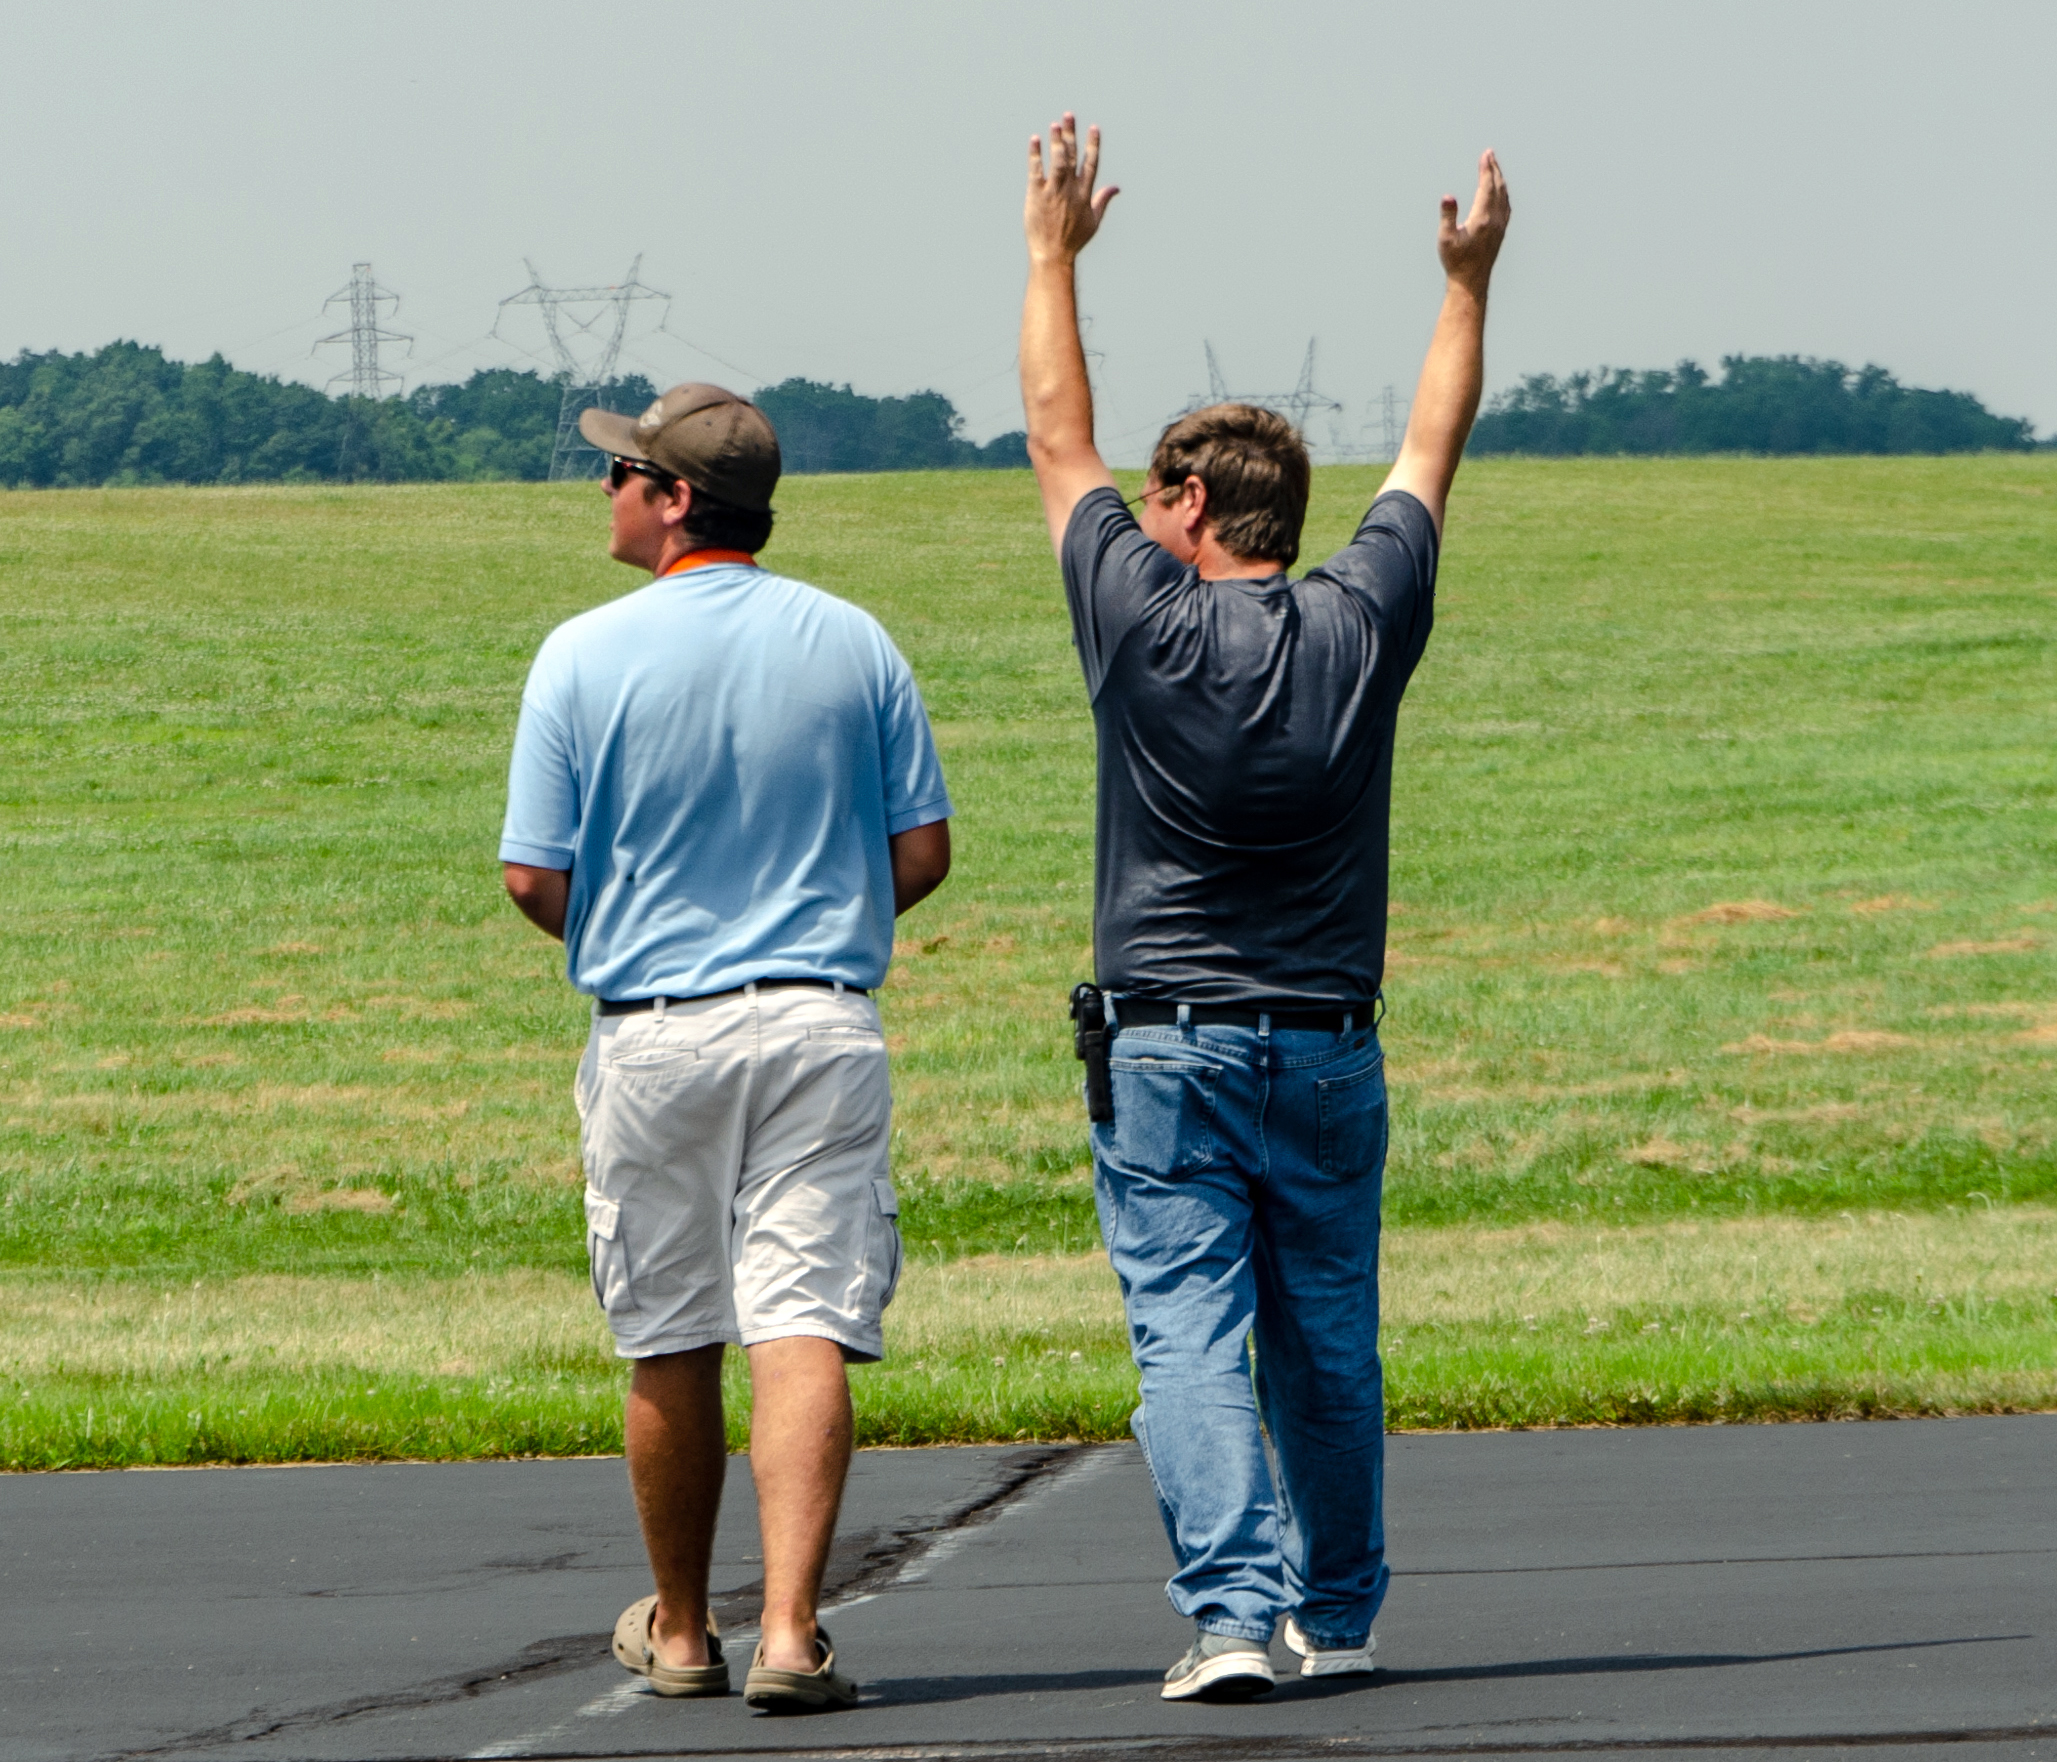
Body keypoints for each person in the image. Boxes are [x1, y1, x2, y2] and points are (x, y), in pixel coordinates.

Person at [1018, 117, 1510, 1701]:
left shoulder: (1138, 619)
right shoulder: (1360, 619)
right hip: (1326, 1042)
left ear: (1182, 502)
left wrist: (1049, 257)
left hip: (1167, 1042)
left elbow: (1053, 436)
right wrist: (1464, 285)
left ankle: (1230, 1617)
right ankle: (1338, 1611)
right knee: (1328, 1334)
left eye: (1151, 493)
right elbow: (1427, 451)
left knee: (1186, 1331)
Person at [498, 383, 953, 1713]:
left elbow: (531, 875)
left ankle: (686, 1627)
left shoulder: (580, 653)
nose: (607, 491)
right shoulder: (855, 639)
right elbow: (922, 848)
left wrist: (625, 931)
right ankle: (794, 1632)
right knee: (801, 1319)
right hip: (819, 1017)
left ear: (676, 499)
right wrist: (832, 912)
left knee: (670, 1331)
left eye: (625, 473)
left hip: (655, 1028)